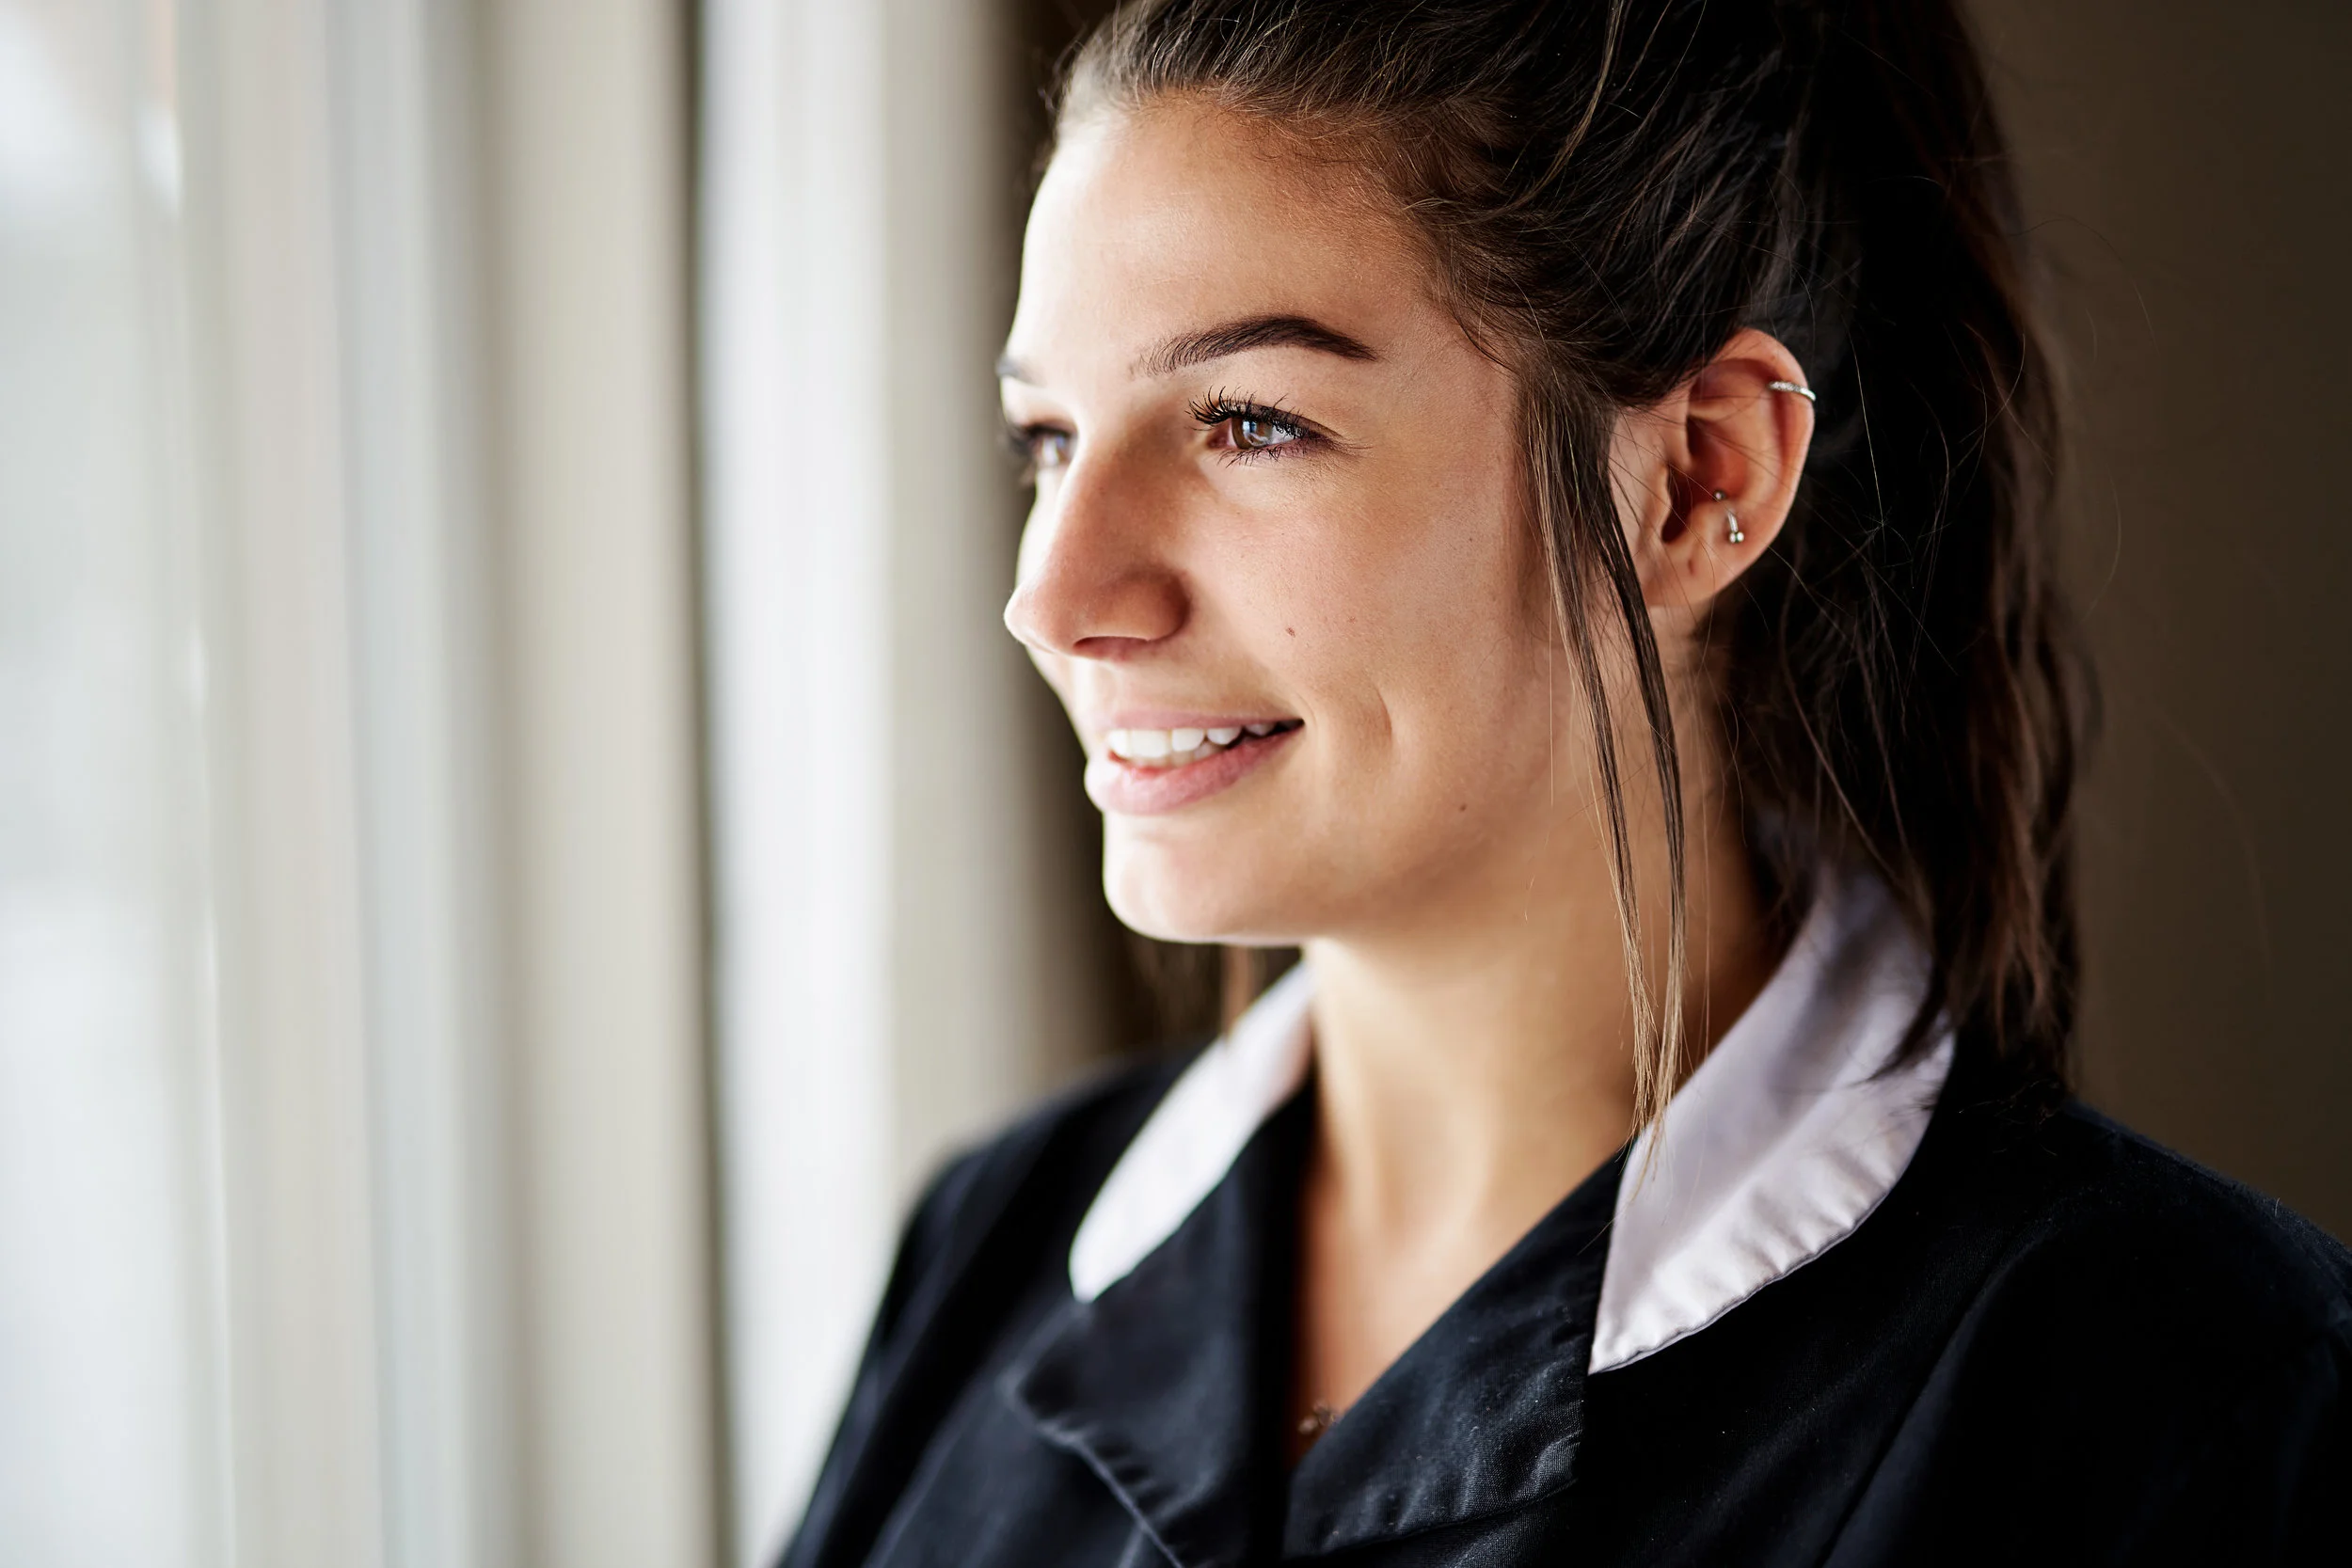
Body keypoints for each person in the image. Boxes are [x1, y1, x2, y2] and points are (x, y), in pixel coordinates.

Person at [781, 2, 2350, 1562]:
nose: (1055, 597)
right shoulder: (988, 1247)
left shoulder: (2179, 1394)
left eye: (1251, 423)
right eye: (1046, 438)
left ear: (1696, 481)